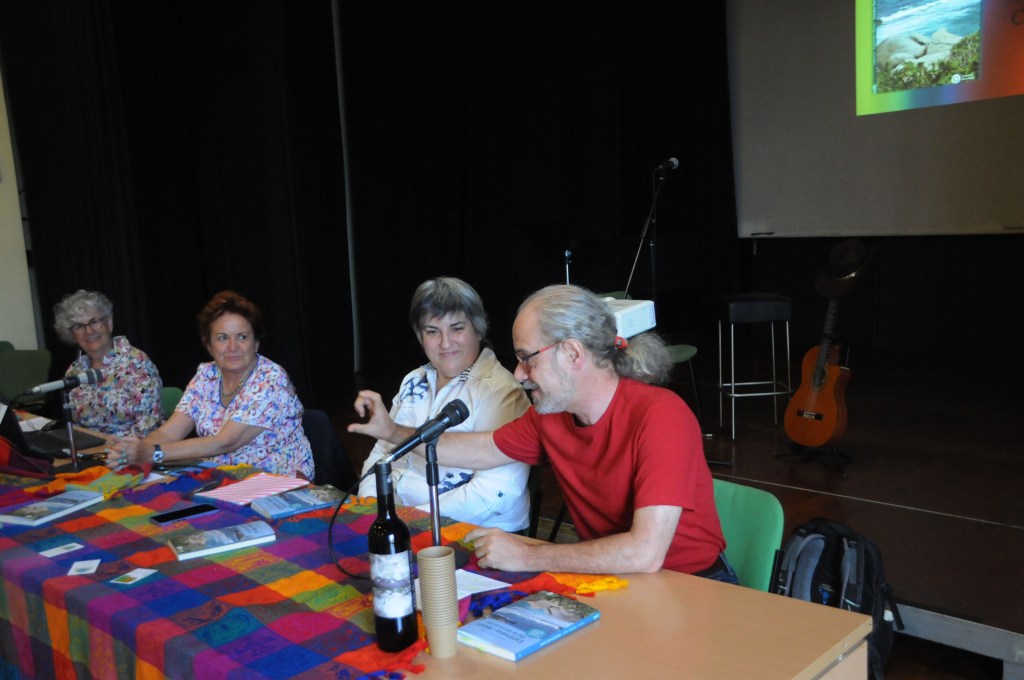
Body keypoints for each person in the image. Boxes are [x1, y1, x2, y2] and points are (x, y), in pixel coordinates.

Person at [349, 284, 734, 580]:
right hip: (614, 576)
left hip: (693, 584)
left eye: (527, 358)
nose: (519, 374)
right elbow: (479, 449)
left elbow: (645, 553)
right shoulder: (551, 414)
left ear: (573, 354)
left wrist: (528, 554)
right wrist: (392, 431)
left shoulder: (661, 415)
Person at [356, 277, 531, 532]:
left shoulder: (501, 392)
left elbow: (494, 492)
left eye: (457, 328)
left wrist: (411, 521)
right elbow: (382, 453)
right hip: (400, 523)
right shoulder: (413, 380)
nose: (445, 343)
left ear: (479, 329)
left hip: (475, 532)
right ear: (420, 337)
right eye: (432, 332)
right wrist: (373, 509)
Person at [107, 291, 313, 478]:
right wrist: (133, 450)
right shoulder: (206, 374)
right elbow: (169, 432)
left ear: (256, 343)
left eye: (242, 337)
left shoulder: (271, 378)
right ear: (209, 345)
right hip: (222, 477)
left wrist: (152, 453)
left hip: (276, 481)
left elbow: (225, 442)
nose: (233, 347)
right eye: (222, 338)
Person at [52, 290, 163, 437]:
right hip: (89, 448)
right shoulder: (75, 370)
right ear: (72, 334)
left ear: (109, 323)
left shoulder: (136, 363)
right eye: (79, 326)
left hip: (129, 448)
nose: (88, 331)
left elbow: (149, 429)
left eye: (94, 322)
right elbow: (75, 427)